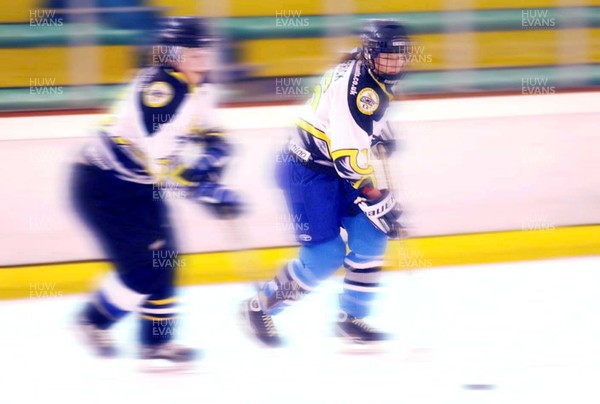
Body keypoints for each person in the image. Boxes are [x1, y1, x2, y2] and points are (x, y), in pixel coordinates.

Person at [71, 17, 241, 367]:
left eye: (205, 53)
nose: (202, 62)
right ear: (173, 54)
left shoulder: (201, 86)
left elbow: (210, 134)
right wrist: (206, 188)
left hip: (140, 184)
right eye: (193, 55)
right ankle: (92, 321)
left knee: (166, 259)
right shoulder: (160, 88)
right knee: (141, 271)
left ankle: (156, 344)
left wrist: (216, 155)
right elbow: (161, 158)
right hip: (103, 183)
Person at [240, 20, 408, 347]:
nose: (395, 63)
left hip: (331, 166)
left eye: (400, 56)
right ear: (370, 54)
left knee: (372, 234)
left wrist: (383, 136)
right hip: (308, 173)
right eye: (388, 56)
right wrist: (376, 200)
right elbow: (349, 161)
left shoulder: (370, 76)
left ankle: (351, 317)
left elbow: (366, 123)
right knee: (325, 256)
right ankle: (259, 306)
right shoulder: (358, 90)